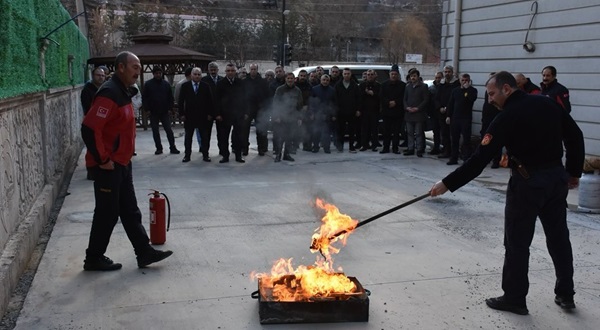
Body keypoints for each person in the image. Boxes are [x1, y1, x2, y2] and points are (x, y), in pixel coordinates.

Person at [430, 71, 584, 315]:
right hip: (555, 182)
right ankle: (566, 294)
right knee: (559, 238)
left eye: (492, 93)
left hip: (526, 185)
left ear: (507, 89)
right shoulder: (547, 103)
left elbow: (479, 159)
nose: (490, 99)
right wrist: (573, 171)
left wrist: (447, 184)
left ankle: (514, 298)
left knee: (517, 243)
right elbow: (575, 136)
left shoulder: (507, 117)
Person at [80, 51, 173, 271]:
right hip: (108, 165)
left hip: (122, 163)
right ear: (120, 67)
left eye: (139, 67)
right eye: (134, 66)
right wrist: (103, 159)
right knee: (107, 213)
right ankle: (93, 258)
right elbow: (90, 128)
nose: (138, 71)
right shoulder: (109, 93)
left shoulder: (124, 92)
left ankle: (144, 252)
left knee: (130, 210)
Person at [179, 67, 215, 163]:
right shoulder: (185, 86)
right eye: (195, 74)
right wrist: (181, 114)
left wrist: (210, 114)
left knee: (204, 137)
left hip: (203, 116)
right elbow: (181, 101)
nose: (197, 76)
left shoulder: (205, 86)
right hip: (189, 116)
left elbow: (210, 101)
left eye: (199, 74)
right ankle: (187, 155)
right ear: (191, 75)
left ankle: (205, 155)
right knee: (188, 137)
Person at [143, 66, 180, 155]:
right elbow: (144, 98)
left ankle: (173, 147)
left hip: (164, 111)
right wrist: (147, 109)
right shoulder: (148, 84)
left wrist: (171, 108)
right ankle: (159, 148)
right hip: (153, 112)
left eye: (160, 73)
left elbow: (170, 98)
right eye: (156, 73)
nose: (158, 75)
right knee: (155, 131)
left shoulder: (166, 84)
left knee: (169, 130)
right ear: (153, 74)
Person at [215, 63, 248, 163]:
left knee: (238, 137)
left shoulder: (240, 83)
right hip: (224, 115)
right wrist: (217, 114)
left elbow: (245, 99)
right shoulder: (220, 83)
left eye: (232, 71)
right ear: (225, 72)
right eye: (228, 71)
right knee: (224, 137)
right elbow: (216, 100)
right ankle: (225, 156)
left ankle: (238, 156)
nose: (230, 72)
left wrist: (246, 112)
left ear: (235, 72)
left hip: (238, 114)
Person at [445, 73, 478, 165]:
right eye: (462, 80)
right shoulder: (455, 91)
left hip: (466, 118)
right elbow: (451, 103)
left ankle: (466, 158)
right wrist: (448, 116)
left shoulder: (473, 90)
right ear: (459, 81)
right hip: (455, 118)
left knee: (466, 139)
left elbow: (472, 99)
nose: (464, 82)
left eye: (466, 80)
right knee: (454, 139)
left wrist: (467, 89)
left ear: (469, 81)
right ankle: (454, 158)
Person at [272, 72, 303, 162]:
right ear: (285, 79)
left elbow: (300, 105)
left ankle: (287, 154)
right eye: (288, 78)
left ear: (294, 79)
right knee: (280, 137)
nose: (290, 80)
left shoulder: (297, 90)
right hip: (281, 117)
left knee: (289, 137)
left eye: (291, 78)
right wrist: (276, 116)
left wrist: (300, 118)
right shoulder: (280, 89)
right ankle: (278, 154)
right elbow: (275, 103)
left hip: (293, 117)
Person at [244, 63, 270, 156]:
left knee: (261, 130)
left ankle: (261, 148)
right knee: (245, 130)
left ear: (257, 70)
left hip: (260, 109)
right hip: (248, 109)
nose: (253, 71)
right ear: (249, 70)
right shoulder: (245, 81)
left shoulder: (263, 82)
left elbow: (267, 96)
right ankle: (245, 149)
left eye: (255, 69)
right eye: (251, 69)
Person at [379, 65, 406, 154]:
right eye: (392, 74)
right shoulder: (383, 85)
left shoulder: (403, 85)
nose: (393, 76)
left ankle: (395, 148)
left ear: (397, 75)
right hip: (387, 112)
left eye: (395, 74)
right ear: (389, 74)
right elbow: (381, 97)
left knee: (396, 132)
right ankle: (386, 147)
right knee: (386, 132)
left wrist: (396, 102)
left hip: (398, 112)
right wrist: (388, 103)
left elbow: (403, 97)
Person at [403, 69, 429, 157]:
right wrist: (407, 107)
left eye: (414, 76)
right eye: (411, 76)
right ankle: (410, 148)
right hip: (409, 113)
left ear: (418, 77)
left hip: (419, 114)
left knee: (418, 133)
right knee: (409, 133)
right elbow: (404, 99)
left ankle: (419, 149)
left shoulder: (423, 86)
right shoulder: (407, 87)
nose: (413, 78)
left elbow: (426, 100)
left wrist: (418, 108)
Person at [334, 67, 361, 153]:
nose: (346, 75)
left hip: (352, 112)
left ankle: (351, 146)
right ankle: (340, 146)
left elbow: (358, 99)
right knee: (340, 130)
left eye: (348, 74)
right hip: (341, 112)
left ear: (351, 74)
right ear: (342, 74)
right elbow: (335, 99)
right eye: (345, 74)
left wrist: (358, 110)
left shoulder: (355, 85)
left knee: (352, 130)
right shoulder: (338, 85)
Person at [436, 65, 460, 158]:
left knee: (453, 134)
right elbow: (436, 98)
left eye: (449, 72)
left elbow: (456, 99)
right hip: (442, 113)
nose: (447, 74)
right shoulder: (441, 84)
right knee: (444, 134)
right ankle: (446, 151)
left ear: (452, 72)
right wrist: (439, 107)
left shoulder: (456, 84)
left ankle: (454, 152)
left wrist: (448, 108)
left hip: (453, 113)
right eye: (445, 72)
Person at [308, 74, 336, 153]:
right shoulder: (314, 89)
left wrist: (334, 114)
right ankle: (316, 147)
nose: (325, 82)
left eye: (327, 80)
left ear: (329, 81)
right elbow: (311, 102)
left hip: (328, 114)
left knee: (326, 132)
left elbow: (334, 103)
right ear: (320, 80)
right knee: (316, 131)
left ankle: (327, 148)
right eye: (323, 80)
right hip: (317, 114)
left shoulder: (332, 90)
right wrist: (312, 113)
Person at [481, 72, 502, 169]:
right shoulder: (487, 91)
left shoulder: (499, 92)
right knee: (485, 139)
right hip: (486, 118)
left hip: (496, 117)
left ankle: (496, 160)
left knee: (497, 139)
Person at [358, 69, 381, 151]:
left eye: (372, 74)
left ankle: (374, 145)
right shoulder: (362, 85)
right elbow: (359, 98)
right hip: (364, 111)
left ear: (375, 75)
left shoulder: (378, 86)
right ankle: (364, 145)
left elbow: (381, 97)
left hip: (375, 111)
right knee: (364, 129)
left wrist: (373, 94)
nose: (370, 76)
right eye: (368, 74)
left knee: (374, 129)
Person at [427, 71, 443, 154]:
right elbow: (429, 101)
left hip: (443, 113)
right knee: (435, 132)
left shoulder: (444, 87)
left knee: (444, 132)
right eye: (436, 78)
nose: (437, 79)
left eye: (439, 78)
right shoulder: (431, 88)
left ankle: (444, 148)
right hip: (434, 113)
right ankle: (436, 148)